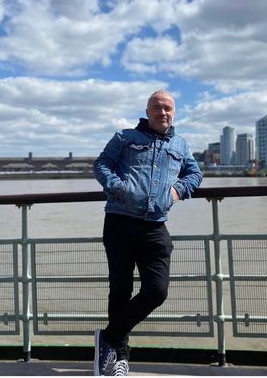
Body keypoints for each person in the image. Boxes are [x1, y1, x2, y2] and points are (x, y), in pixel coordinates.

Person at [93, 89, 202, 376]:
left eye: (167, 108)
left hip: (155, 226)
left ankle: (110, 337)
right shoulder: (125, 138)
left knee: (156, 291)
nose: (162, 112)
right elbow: (101, 164)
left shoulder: (181, 145)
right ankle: (119, 359)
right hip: (119, 221)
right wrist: (117, 188)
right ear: (147, 110)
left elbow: (195, 174)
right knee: (121, 290)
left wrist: (178, 190)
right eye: (157, 107)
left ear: (174, 112)